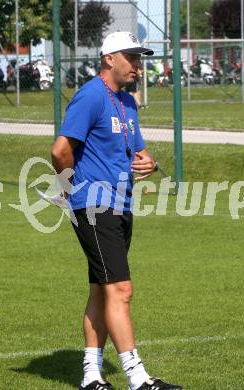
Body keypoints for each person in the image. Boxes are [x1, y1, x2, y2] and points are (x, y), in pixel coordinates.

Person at [51, 31, 183, 390]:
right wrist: (69, 191)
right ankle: (138, 378)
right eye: (132, 57)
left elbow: (137, 153)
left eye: (140, 59)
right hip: (94, 206)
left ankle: (91, 376)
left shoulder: (127, 102)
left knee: (103, 290)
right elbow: (61, 150)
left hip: (121, 204)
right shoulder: (91, 95)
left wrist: (150, 163)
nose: (139, 66)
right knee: (121, 289)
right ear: (110, 58)